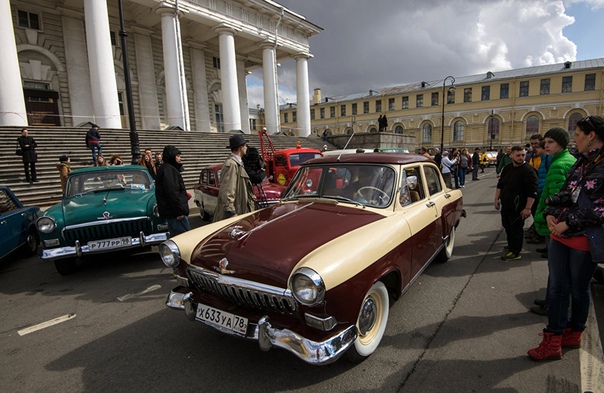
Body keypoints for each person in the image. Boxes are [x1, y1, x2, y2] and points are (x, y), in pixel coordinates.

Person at [527, 116, 604, 361]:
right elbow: (565, 193)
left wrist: (567, 222)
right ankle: (554, 339)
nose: (575, 138)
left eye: (578, 133)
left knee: (579, 290)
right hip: (560, 234)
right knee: (559, 289)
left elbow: (600, 208)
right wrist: (550, 212)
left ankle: (574, 332)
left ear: (591, 135)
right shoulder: (581, 161)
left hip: (583, 237)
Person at [529, 129, 576, 316]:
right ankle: (550, 300)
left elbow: (557, 198)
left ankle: (552, 306)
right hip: (560, 222)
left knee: (557, 270)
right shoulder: (566, 160)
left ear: (561, 144)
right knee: (558, 269)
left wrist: (546, 215)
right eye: (545, 142)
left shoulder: (559, 165)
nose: (545, 145)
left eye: (550, 142)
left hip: (555, 223)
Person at [494, 145, 538, 261]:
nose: (521, 157)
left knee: (516, 229)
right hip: (506, 205)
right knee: (507, 226)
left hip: (519, 207)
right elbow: (500, 185)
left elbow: (532, 191)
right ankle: (511, 245)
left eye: (523, 155)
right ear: (511, 155)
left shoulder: (528, 170)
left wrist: (528, 208)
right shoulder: (508, 168)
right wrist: (496, 199)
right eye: (518, 155)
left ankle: (515, 252)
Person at [213, 134, 256, 222]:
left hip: (241, 207)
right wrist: (231, 211)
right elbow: (227, 189)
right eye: (245, 145)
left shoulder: (238, 163)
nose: (246, 148)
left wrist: (250, 195)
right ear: (240, 147)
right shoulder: (232, 164)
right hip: (236, 212)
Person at [155, 145, 190, 237]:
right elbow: (172, 192)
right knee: (183, 238)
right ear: (172, 157)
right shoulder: (169, 170)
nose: (180, 159)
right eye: (177, 156)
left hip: (172, 212)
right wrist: (179, 211)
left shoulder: (167, 168)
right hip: (176, 213)